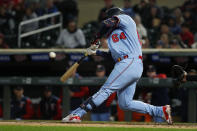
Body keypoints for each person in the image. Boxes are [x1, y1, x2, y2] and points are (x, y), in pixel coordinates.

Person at [62, 7, 172, 124]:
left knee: (105, 90)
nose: (110, 20)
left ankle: (77, 114)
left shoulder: (126, 19)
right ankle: (160, 111)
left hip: (129, 62)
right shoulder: (113, 36)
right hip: (129, 64)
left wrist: (96, 38)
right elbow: (113, 56)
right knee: (125, 103)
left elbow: (107, 23)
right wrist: (96, 52)